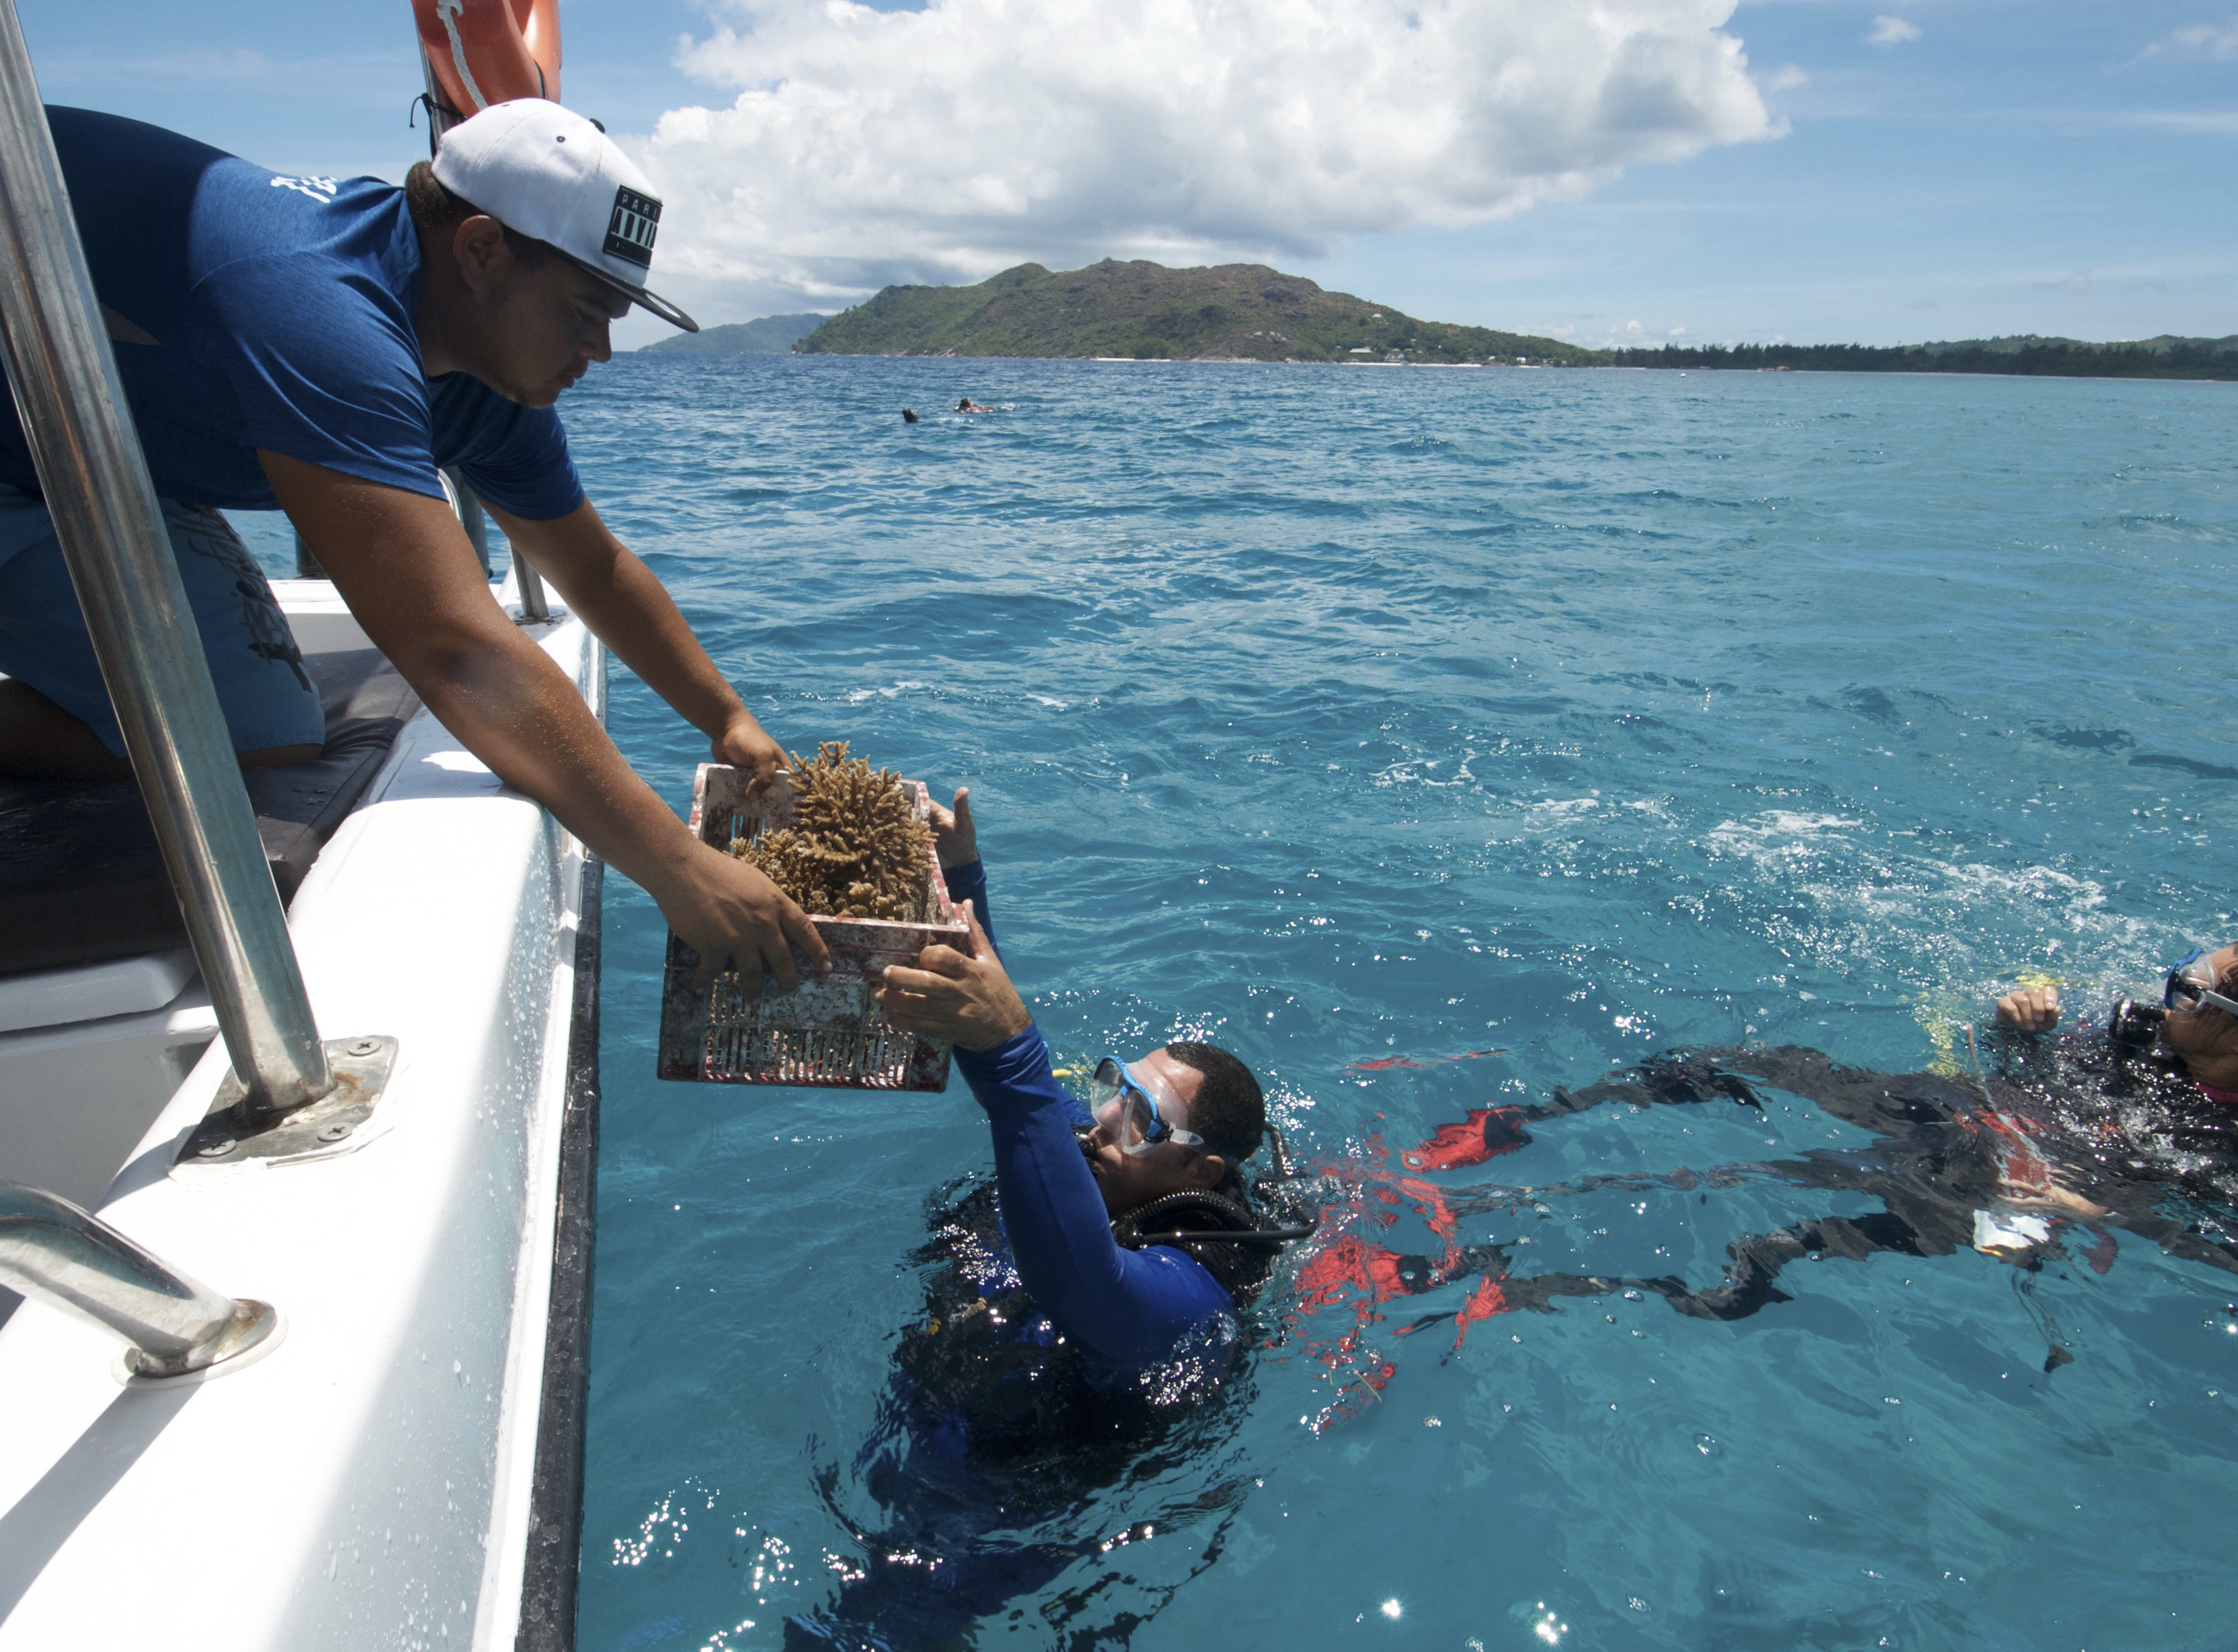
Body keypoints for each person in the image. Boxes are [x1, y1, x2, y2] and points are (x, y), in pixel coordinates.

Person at [0, 98, 823, 986]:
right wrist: (679, 868)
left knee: (258, 728)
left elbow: (591, 563)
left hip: (86, 470)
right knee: (238, 728)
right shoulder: (317, 305)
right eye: (587, 310)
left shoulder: (484, 378)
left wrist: (726, 718)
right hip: (36, 453)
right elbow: (457, 648)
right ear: (479, 250)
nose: (604, 351)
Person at [782, 790, 1302, 1647]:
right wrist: (958, 882)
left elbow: (1079, 1279)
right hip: (925, 1433)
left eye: (1135, 1115)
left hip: (998, 1517)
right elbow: (998, 1059)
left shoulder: (1197, 1296)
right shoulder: (1100, 1152)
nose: (1098, 1119)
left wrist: (1018, 1055)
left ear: (1200, 1170)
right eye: (1107, 1086)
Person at [1364, 937, 2238, 1340]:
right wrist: (2006, 1026)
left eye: (2188, 990)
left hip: (2022, 1186)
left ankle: (1536, 1290)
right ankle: (1513, 1127)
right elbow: (2021, 1067)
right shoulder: (2140, 1039)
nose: (2162, 995)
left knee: (1781, 1243)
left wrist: (2102, 1209)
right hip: (1969, 1117)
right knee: (1758, 1060)